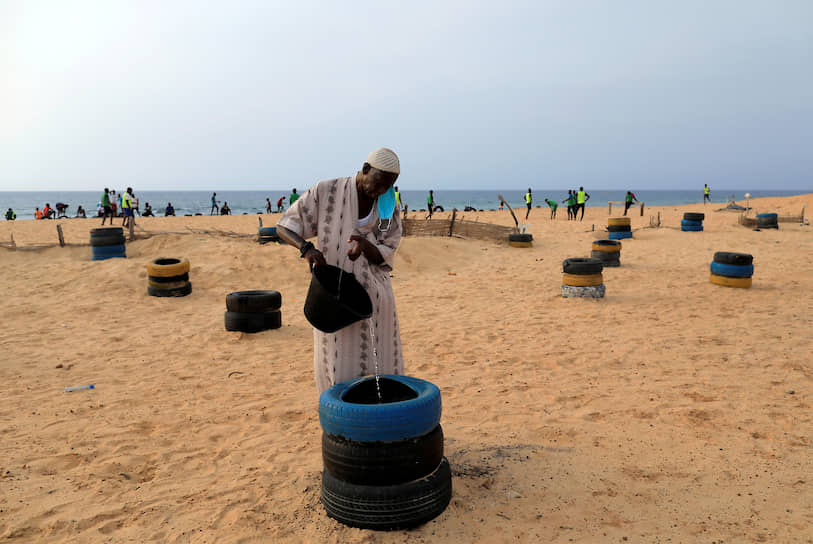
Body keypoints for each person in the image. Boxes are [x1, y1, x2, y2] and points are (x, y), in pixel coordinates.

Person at [276, 147, 405, 394]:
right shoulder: (327, 192)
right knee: (337, 359)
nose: (380, 191)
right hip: (334, 300)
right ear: (365, 169)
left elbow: (388, 248)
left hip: (375, 301)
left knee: (382, 361)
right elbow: (284, 227)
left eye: (387, 187)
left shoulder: (388, 205)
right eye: (378, 184)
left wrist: (366, 246)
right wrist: (306, 248)